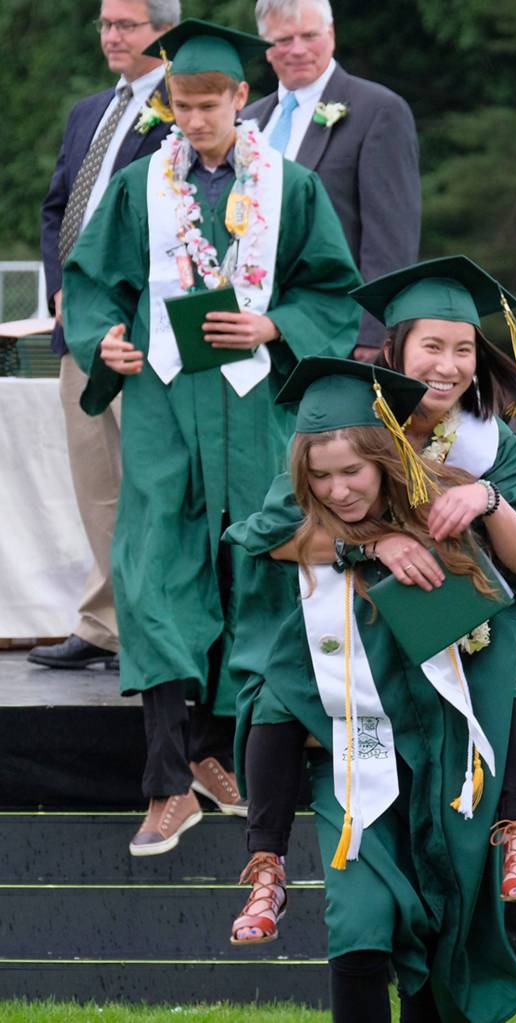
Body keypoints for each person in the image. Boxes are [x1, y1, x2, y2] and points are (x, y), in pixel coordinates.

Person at [61, 17, 362, 856]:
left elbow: (333, 292)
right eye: (179, 106)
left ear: (241, 98)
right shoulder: (140, 186)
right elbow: (96, 285)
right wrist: (107, 342)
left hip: (253, 402)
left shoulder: (291, 187)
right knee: (155, 572)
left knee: (252, 575)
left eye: (206, 105)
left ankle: (217, 750)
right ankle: (167, 782)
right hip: (162, 400)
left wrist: (275, 325)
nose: (192, 121)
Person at [227, 257, 516, 927]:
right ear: (394, 348)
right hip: (351, 624)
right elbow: (273, 531)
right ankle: (266, 864)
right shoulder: (347, 421)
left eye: (464, 350)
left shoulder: (490, 443)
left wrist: (488, 499)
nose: (448, 365)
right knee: (276, 688)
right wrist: (371, 541)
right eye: (432, 346)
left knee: (505, 656)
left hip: (450, 625)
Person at [31, 0, 181, 672]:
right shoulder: (89, 111)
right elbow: (58, 205)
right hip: (80, 328)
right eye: (104, 24)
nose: (110, 36)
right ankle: (104, 621)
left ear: (163, 32)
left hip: (143, 331)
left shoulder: (185, 106)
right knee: (97, 484)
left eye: (125, 25)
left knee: (150, 483)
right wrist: (62, 287)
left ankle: (154, 627)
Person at [243, 0, 421, 360]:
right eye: (283, 39)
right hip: (252, 332)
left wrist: (374, 334)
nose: (298, 49)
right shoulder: (249, 121)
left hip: (337, 331)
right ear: (266, 49)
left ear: (332, 34)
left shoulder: (377, 110)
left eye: (309, 35)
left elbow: (390, 237)